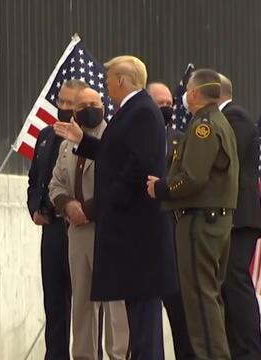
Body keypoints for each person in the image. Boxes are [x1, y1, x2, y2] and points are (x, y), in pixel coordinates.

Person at [55, 55, 176, 360]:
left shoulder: (143, 112)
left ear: (122, 80)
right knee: (138, 319)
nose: (106, 83)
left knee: (144, 326)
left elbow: (137, 167)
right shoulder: (131, 112)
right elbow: (114, 154)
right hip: (129, 237)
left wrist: (106, 204)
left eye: (109, 78)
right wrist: (84, 142)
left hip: (138, 236)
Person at [146, 68, 239, 360]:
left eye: (187, 89)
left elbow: (193, 177)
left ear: (195, 93)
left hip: (200, 221)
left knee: (199, 300)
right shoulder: (218, 122)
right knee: (208, 298)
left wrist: (162, 188)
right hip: (213, 220)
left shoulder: (204, 126)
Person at [49, 87, 129, 360]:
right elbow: (56, 184)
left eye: (95, 103)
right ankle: (83, 355)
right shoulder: (66, 145)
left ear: (104, 106)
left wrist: (89, 210)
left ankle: (118, 355)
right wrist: (67, 205)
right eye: (82, 105)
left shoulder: (114, 138)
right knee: (82, 302)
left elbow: (119, 182)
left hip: (108, 229)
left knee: (114, 303)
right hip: (78, 231)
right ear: (74, 111)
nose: (89, 108)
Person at [28, 79, 88, 359]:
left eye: (69, 103)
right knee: (54, 302)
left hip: (77, 227)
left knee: (84, 304)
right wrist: (34, 209)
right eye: (60, 101)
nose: (63, 107)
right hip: (51, 229)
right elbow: (34, 179)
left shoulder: (88, 139)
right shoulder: (44, 136)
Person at [218, 74, 261, 360]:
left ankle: (249, 352)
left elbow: (223, 156)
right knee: (225, 286)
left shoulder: (237, 118)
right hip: (223, 217)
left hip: (240, 217)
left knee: (236, 283)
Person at [147, 82, 193, 359]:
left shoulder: (182, 139)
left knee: (180, 313)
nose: (166, 107)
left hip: (173, 236)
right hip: (141, 235)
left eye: (169, 103)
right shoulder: (136, 136)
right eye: (159, 102)